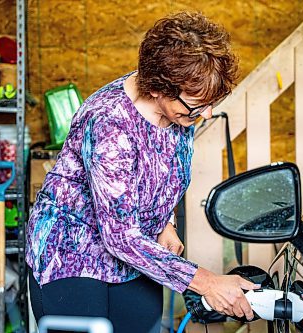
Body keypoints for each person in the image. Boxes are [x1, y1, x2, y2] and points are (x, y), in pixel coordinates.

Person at [26, 11, 258, 333]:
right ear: (157, 88)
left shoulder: (179, 111)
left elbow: (163, 178)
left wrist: (166, 222)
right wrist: (206, 283)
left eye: (210, 102)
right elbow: (119, 235)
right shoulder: (111, 122)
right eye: (196, 104)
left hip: (135, 257)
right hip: (72, 254)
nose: (205, 113)